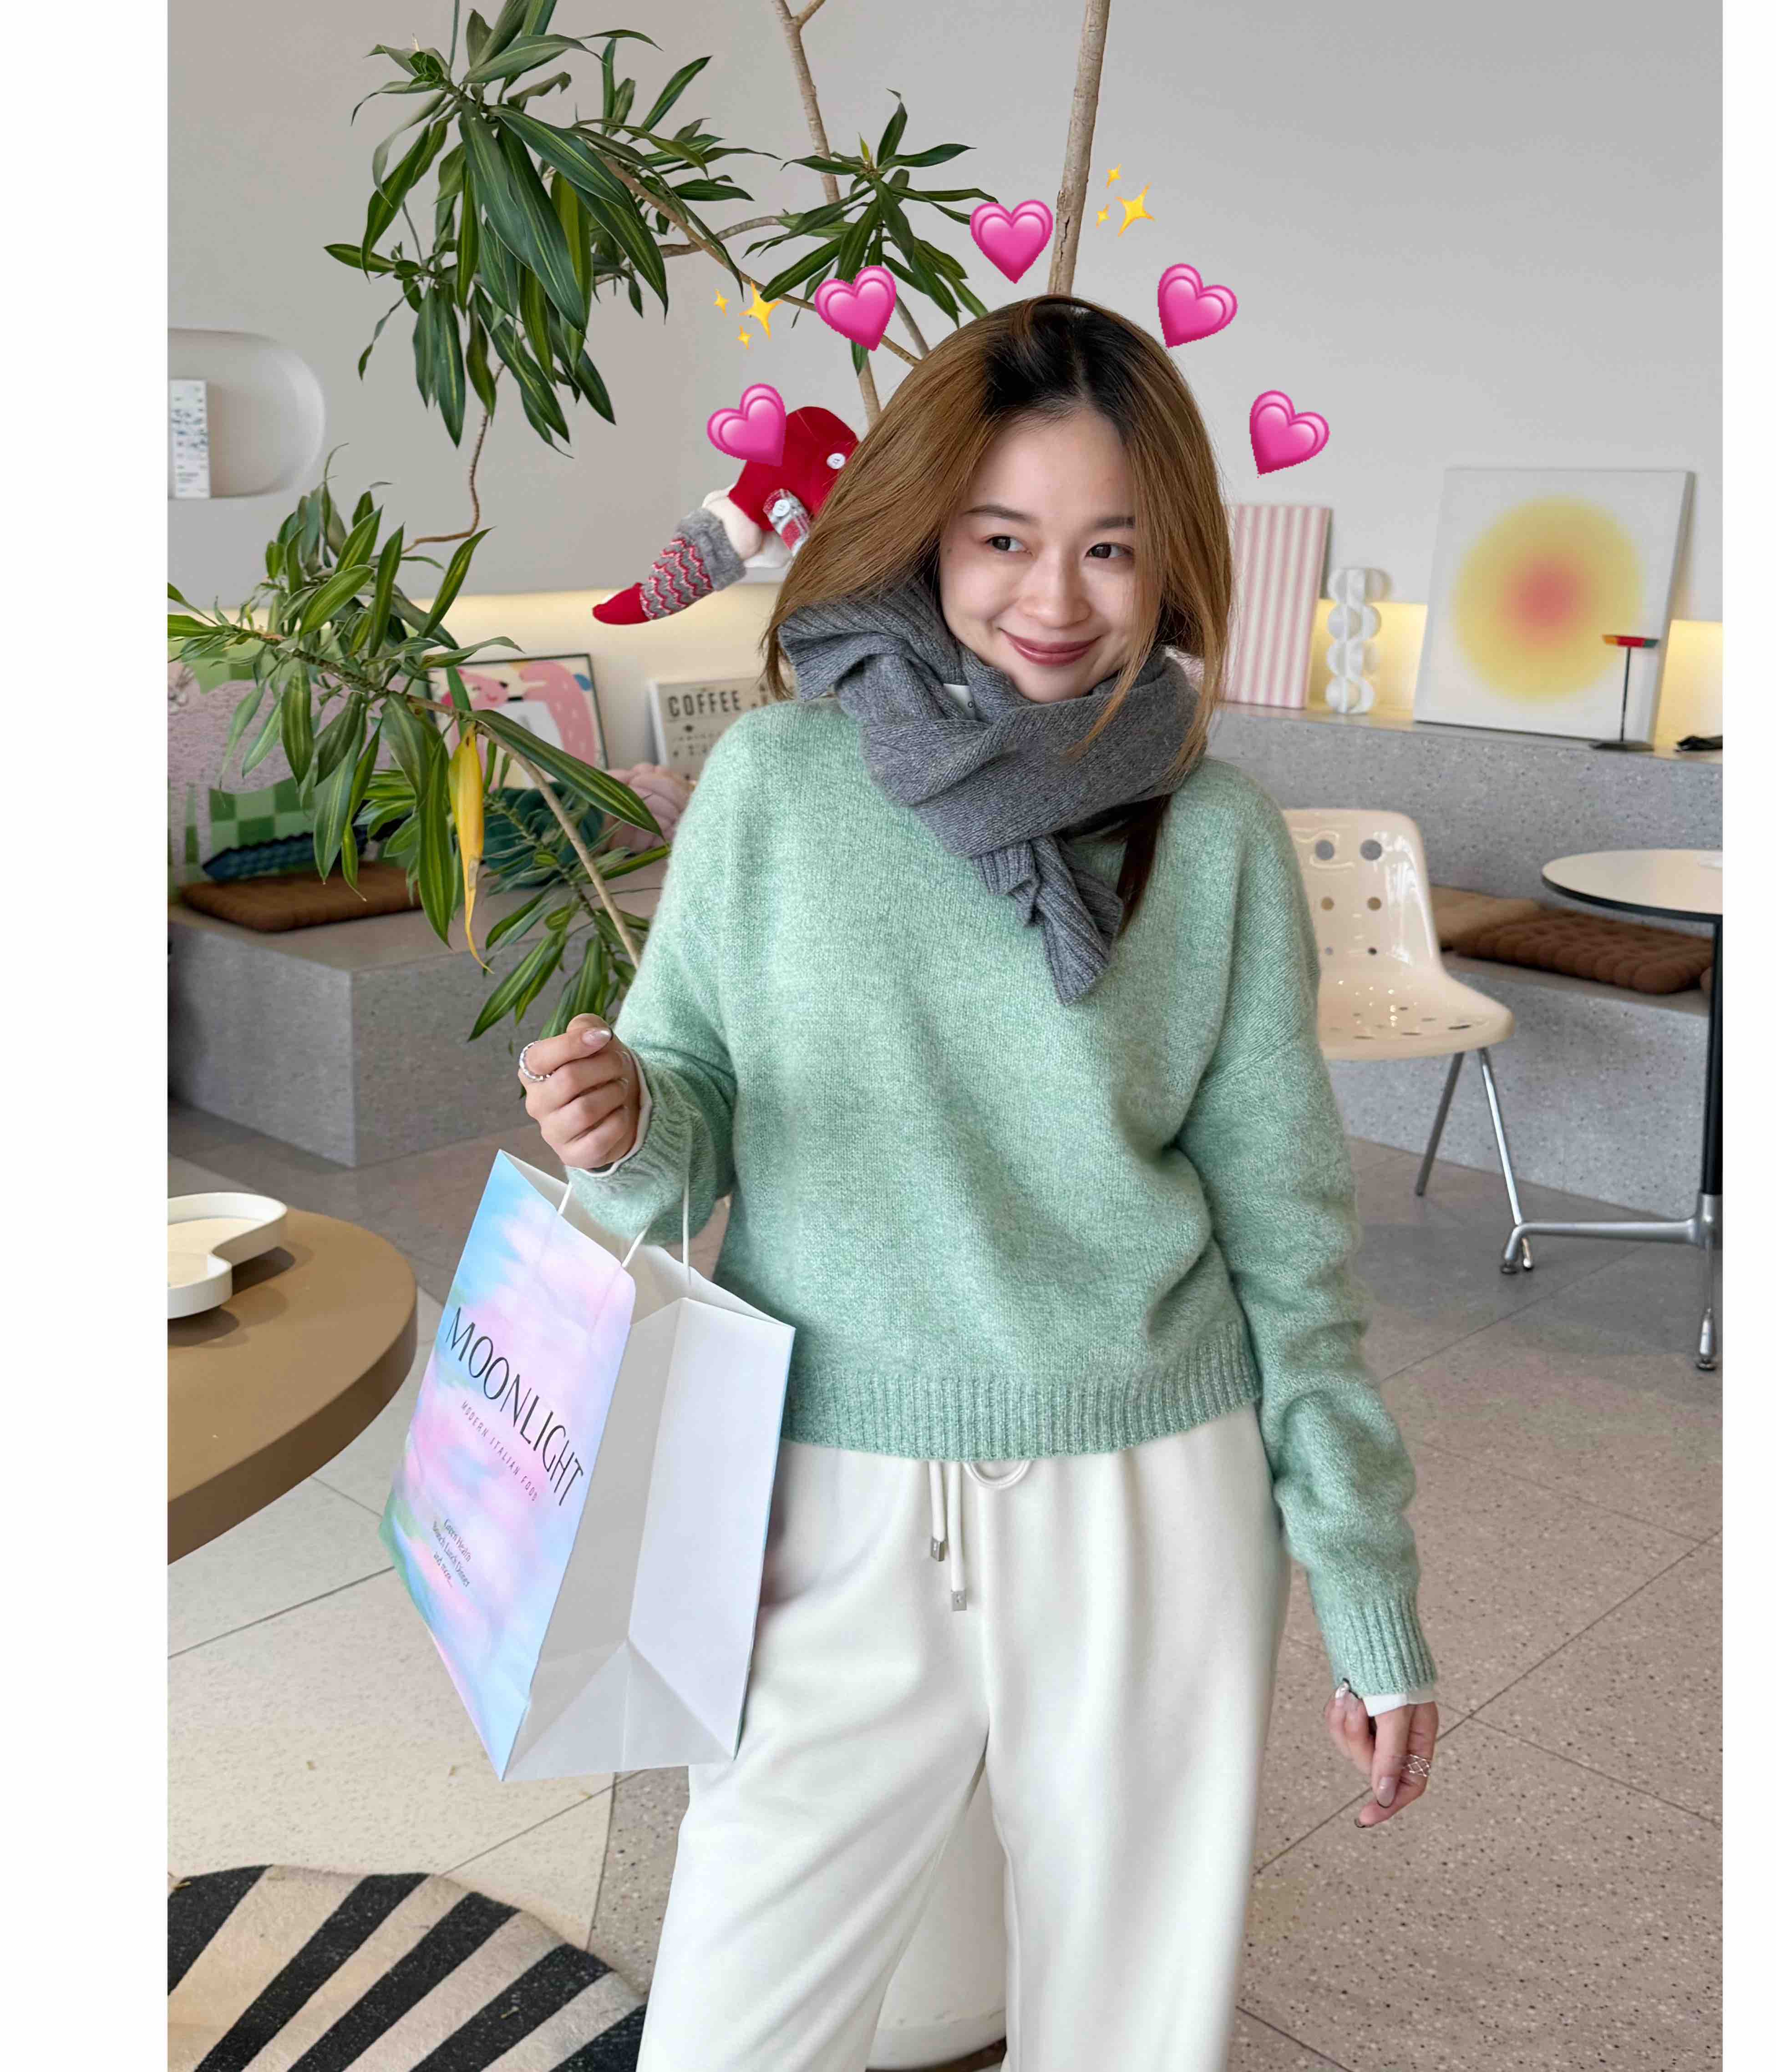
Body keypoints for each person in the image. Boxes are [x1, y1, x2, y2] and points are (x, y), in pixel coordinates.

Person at [516, 294, 1439, 2072]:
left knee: (1126, 2024)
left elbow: (1289, 1241)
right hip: (831, 1472)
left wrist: (1364, 1582)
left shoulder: (1212, 833)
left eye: (1110, 546)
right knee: (728, 2016)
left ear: (1171, 560)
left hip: (1150, 1489)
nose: (1053, 596)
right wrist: (624, 1121)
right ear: (927, 527)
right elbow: (695, 1087)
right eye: (1003, 536)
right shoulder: (775, 787)